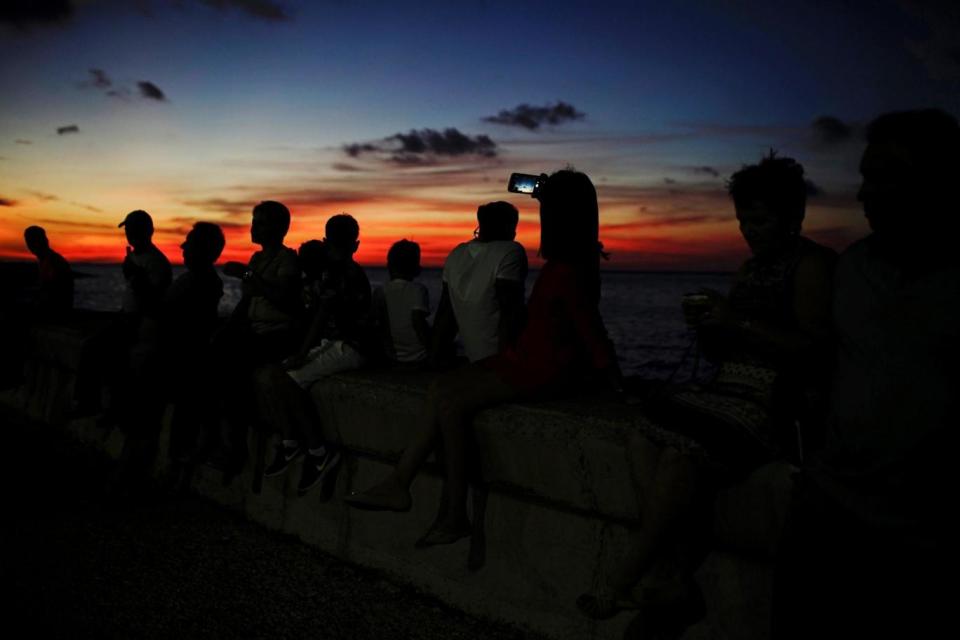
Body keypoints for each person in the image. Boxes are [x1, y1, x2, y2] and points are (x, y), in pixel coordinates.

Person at [577, 153, 836, 624]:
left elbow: (815, 350)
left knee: (680, 452)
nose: (749, 232)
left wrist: (734, 320)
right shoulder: (749, 270)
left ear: (793, 216)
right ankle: (672, 572)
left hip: (773, 400)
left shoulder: (813, 266)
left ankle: (623, 578)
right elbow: (728, 350)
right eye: (743, 221)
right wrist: (713, 329)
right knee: (642, 432)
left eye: (759, 220)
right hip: (727, 388)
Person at [346, 170, 620, 548]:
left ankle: (451, 511)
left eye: (548, 208)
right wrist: (545, 190)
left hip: (544, 368)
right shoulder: (568, 261)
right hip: (525, 357)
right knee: (442, 389)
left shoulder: (570, 268)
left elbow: (591, 330)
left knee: (453, 402)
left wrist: (613, 379)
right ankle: (404, 485)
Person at [772, 110, 958, 639]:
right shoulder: (852, 268)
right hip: (826, 519)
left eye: (887, 176)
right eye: (865, 177)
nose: (865, 194)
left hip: (921, 541)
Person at [258, 214, 373, 495]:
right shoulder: (347, 270)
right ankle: (291, 444)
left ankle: (317, 451)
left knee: (286, 379)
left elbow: (321, 314)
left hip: (350, 346)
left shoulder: (334, 271)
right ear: (355, 244)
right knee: (275, 376)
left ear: (325, 240)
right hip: (341, 343)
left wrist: (301, 353)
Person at [210, 200, 302, 474]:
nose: (254, 227)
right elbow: (248, 301)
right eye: (254, 221)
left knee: (232, 367)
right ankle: (220, 439)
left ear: (279, 228)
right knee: (214, 354)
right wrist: (226, 329)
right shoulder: (258, 259)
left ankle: (236, 447)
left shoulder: (287, 260)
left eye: (260, 222)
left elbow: (284, 299)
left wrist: (247, 274)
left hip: (279, 335)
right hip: (255, 331)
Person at [430, 201, 527, 366]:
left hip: (473, 355)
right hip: (496, 357)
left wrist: (434, 354)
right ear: (509, 227)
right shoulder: (511, 251)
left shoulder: (456, 253)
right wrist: (506, 364)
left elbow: (445, 312)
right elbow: (510, 311)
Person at [373, 239, 431, 364]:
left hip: (391, 355)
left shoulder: (380, 291)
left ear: (389, 266)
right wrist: (432, 350)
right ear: (417, 268)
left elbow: (379, 323)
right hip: (419, 355)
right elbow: (418, 321)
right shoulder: (418, 290)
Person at [23, 225, 73, 315]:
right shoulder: (45, 260)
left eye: (33, 241)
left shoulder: (53, 261)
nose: (30, 245)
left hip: (56, 312)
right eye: (28, 242)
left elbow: (55, 292)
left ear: (45, 241)